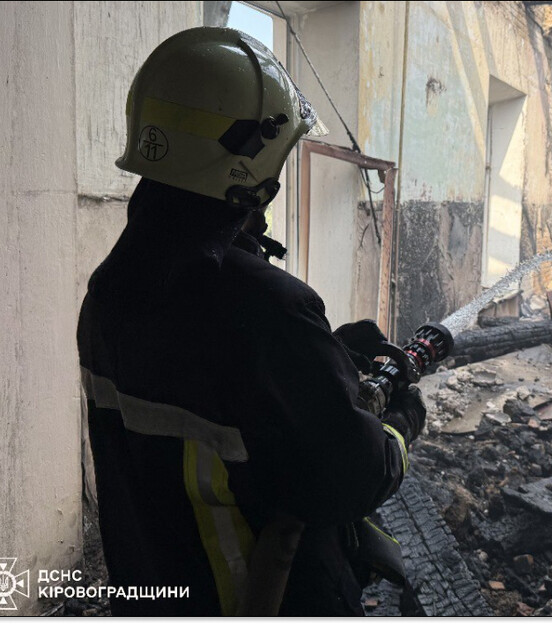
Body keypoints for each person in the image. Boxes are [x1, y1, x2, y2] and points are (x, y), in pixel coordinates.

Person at [77, 27, 425, 616]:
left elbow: (215, 399)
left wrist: (325, 359)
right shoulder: (266, 310)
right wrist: (400, 419)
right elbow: (353, 478)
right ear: (250, 161)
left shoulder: (109, 289)